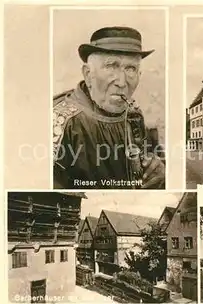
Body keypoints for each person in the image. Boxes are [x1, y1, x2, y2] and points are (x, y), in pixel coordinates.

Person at [53, 26, 165, 189]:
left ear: (139, 75)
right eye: (111, 66)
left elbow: (152, 158)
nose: (121, 82)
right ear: (88, 74)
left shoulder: (134, 114)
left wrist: (160, 171)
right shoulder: (61, 124)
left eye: (130, 68)